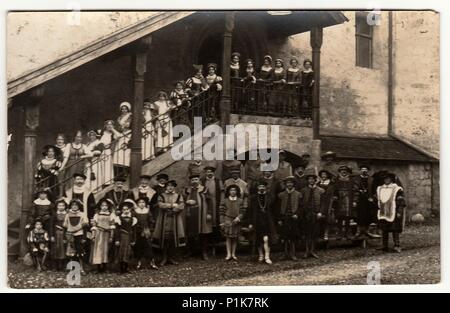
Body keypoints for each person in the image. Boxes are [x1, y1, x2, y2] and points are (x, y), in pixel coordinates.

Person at [153, 180, 186, 266]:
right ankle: (164, 258)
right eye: (168, 186)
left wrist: (175, 210)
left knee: (173, 238)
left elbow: (182, 205)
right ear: (166, 187)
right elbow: (160, 204)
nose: (170, 187)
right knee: (165, 238)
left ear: (174, 187)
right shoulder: (161, 196)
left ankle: (171, 257)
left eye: (172, 186)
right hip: (164, 220)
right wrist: (172, 205)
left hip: (175, 219)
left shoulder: (178, 196)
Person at [184, 174, 213, 260]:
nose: (194, 181)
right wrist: (187, 202)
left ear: (199, 180)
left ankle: (204, 252)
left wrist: (209, 213)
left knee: (203, 233)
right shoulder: (187, 190)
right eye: (193, 180)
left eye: (196, 179)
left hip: (202, 214)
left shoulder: (204, 189)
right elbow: (182, 200)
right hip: (190, 214)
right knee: (190, 234)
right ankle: (191, 251)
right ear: (190, 181)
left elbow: (209, 201)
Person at [377, 172, 406, 253]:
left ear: (391, 179)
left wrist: (399, 211)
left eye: (388, 179)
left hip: (394, 211)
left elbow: (401, 201)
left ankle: (397, 245)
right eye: (385, 179)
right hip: (384, 212)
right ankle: (384, 245)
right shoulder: (380, 189)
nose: (386, 180)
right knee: (384, 229)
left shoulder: (396, 189)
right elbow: (379, 200)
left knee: (395, 229)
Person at [299, 169, 325, 259]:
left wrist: (320, 212)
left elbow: (323, 203)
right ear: (307, 181)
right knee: (307, 233)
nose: (311, 180)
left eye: (312, 179)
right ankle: (307, 251)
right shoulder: (303, 190)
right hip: (307, 215)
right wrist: (304, 211)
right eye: (309, 179)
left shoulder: (321, 190)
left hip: (316, 214)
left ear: (315, 180)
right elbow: (301, 203)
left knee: (315, 233)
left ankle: (313, 251)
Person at [248, 181, 275, 264]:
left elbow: (274, 210)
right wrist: (250, 223)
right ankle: (261, 256)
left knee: (266, 239)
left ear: (266, 188)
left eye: (263, 186)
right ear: (257, 188)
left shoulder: (270, 197)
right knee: (258, 240)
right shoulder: (253, 198)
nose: (262, 188)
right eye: (260, 186)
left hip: (267, 221)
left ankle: (267, 256)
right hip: (257, 221)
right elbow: (250, 211)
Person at [276, 176, 301, 260]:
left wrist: (297, 214)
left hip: (294, 217)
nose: (289, 184)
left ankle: (293, 254)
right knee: (285, 236)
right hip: (284, 217)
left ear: (293, 184)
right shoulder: (281, 195)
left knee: (293, 236)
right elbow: (278, 208)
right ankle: (285, 253)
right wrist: (279, 219)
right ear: (285, 184)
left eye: (291, 183)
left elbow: (301, 207)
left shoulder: (298, 194)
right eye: (288, 183)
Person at [201, 166, 224, 256]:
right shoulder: (202, 181)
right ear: (205, 173)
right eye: (207, 172)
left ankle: (215, 247)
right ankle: (206, 247)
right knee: (206, 224)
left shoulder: (218, 181)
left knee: (215, 224)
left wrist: (221, 204)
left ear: (213, 173)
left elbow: (222, 193)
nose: (209, 173)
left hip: (216, 204)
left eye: (211, 172)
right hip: (205, 205)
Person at [332, 165, 359, 240]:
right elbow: (333, 190)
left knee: (348, 218)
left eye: (345, 171)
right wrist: (334, 197)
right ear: (339, 172)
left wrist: (355, 201)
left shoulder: (352, 180)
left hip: (348, 200)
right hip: (339, 201)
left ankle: (347, 233)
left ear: (347, 172)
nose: (343, 172)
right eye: (342, 171)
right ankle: (339, 233)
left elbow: (356, 191)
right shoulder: (336, 180)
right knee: (339, 217)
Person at [90, 198, 116, 273]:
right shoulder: (97, 215)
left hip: (106, 234)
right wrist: (93, 235)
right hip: (99, 234)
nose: (104, 207)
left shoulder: (111, 215)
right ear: (100, 206)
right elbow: (94, 225)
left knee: (106, 250)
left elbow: (112, 226)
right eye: (102, 205)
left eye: (106, 205)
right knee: (98, 250)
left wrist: (111, 236)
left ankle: (105, 267)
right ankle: (98, 267)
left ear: (108, 207)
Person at [220, 185, 245, 261]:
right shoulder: (225, 200)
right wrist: (222, 222)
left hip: (236, 221)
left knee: (234, 238)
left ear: (237, 191)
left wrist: (238, 217)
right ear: (228, 192)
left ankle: (233, 254)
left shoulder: (240, 200)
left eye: (234, 190)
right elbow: (221, 212)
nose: (233, 192)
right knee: (228, 238)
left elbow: (242, 211)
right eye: (231, 190)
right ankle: (228, 254)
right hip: (227, 220)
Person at [64, 199, 89, 275]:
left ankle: (81, 268)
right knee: (71, 252)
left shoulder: (82, 214)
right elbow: (65, 226)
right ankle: (72, 268)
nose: (74, 207)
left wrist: (84, 237)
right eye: (73, 205)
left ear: (79, 206)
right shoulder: (67, 215)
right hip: (70, 235)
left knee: (80, 252)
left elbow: (85, 227)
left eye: (76, 205)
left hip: (79, 234)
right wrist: (66, 236)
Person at [354, 164, 379, 239]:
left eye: (365, 169)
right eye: (362, 169)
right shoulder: (356, 179)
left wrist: (373, 198)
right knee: (359, 215)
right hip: (359, 200)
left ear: (367, 171)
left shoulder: (371, 179)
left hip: (369, 200)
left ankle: (367, 231)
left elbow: (374, 190)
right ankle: (358, 231)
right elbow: (354, 188)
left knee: (368, 215)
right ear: (360, 170)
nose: (364, 170)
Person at [134, 197, 158, 270]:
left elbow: (151, 221)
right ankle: (138, 262)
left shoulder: (147, 211)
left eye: (143, 202)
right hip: (137, 232)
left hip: (146, 231)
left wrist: (149, 229)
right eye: (140, 202)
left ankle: (152, 262)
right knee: (138, 246)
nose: (142, 204)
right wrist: (138, 228)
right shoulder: (135, 212)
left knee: (148, 246)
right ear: (137, 204)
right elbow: (133, 221)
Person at [114, 200, 138, 273]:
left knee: (128, 252)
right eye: (124, 209)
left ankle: (127, 268)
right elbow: (117, 230)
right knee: (121, 252)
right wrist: (117, 240)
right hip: (122, 237)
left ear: (130, 209)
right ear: (121, 210)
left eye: (127, 209)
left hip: (129, 237)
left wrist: (134, 240)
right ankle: (121, 269)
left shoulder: (133, 219)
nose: (126, 211)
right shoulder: (119, 218)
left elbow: (134, 231)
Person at [113, 102, 132, 178]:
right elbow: (119, 128)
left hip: (128, 134)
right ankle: (119, 173)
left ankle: (126, 172)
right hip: (121, 135)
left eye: (125, 109)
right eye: (122, 109)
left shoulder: (130, 116)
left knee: (126, 153)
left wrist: (126, 126)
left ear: (128, 109)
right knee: (119, 154)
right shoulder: (119, 118)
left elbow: (130, 125)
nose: (124, 110)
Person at [51, 198, 68, 271]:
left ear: (65, 206)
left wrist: (66, 236)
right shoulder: (54, 214)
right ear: (57, 206)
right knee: (55, 249)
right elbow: (51, 226)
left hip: (64, 233)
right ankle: (55, 266)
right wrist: (51, 235)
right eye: (59, 205)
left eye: (62, 205)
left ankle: (63, 266)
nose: (61, 207)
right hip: (56, 233)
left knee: (63, 249)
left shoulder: (67, 214)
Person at [317, 170, 334, 241]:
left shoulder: (332, 184)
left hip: (329, 203)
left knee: (327, 218)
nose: (323, 176)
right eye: (322, 175)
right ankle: (319, 233)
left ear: (327, 176)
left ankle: (326, 234)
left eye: (325, 175)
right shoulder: (318, 183)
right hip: (320, 203)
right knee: (319, 218)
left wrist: (333, 205)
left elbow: (335, 194)